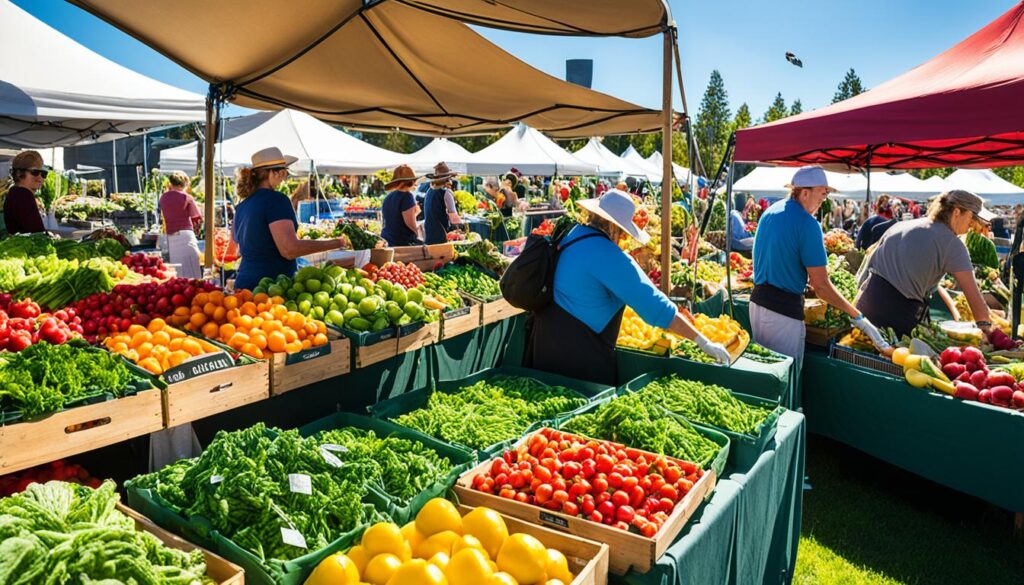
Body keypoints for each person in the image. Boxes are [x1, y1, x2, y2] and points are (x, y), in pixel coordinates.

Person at [529, 190, 731, 385]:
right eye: (624, 233)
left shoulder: (571, 236)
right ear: (614, 227)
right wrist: (703, 341)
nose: (624, 239)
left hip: (544, 345)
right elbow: (656, 307)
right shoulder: (610, 256)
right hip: (579, 359)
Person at [751, 167, 889, 361]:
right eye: (822, 193)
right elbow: (821, 286)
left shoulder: (770, 212)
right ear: (804, 193)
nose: (824, 199)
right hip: (782, 314)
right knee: (785, 379)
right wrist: (858, 317)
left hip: (757, 305)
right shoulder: (808, 224)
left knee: (764, 373)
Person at [857, 190, 995, 338]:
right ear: (956, 212)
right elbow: (975, 300)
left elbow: (866, 271)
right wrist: (987, 329)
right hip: (896, 318)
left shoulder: (901, 226)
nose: (974, 223)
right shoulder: (952, 244)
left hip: (864, 308)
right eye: (972, 216)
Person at [232, 147, 343, 290]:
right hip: (270, 288)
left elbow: (238, 247)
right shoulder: (276, 200)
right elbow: (289, 250)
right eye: (284, 172)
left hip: (244, 284)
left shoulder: (242, 205)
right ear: (273, 173)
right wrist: (335, 243)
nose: (285, 176)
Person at [159, 171, 203, 279]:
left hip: (170, 237)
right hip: (185, 236)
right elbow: (197, 218)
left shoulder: (163, 198)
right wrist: (197, 232)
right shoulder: (187, 197)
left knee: (176, 273)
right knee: (192, 272)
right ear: (184, 184)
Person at [3, 150, 46, 235]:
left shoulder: (15, 192)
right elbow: (37, 233)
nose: (40, 178)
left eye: (43, 174)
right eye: (35, 172)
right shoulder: (23, 195)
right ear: (19, 173)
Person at [380, 164, 424, 247]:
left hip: (387, 239)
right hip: (401, 242)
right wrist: (417, 233)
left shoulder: (389, 196)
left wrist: (415, 213)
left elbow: (396, 219)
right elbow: (410, 223)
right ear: (411, 181)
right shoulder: (407, 196)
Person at [422, 162, 463, 245]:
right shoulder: (446, 192)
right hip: (441, 234)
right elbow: (453, 217)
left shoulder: (429, 191)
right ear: (447, 179)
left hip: (429, 233)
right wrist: (462, 224)